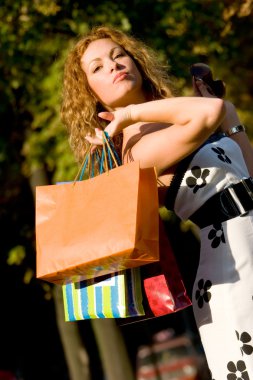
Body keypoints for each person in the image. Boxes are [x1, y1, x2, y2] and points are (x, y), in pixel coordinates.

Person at [61, 25, 253, 379]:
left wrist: (231, 117)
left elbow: (243, 160)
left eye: (119, 55)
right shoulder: (134, 149)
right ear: (90, 94)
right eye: (97, 68)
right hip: (234, 269)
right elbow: (209, 114)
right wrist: (131, 116)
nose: (114, 65)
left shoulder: (173, 119)